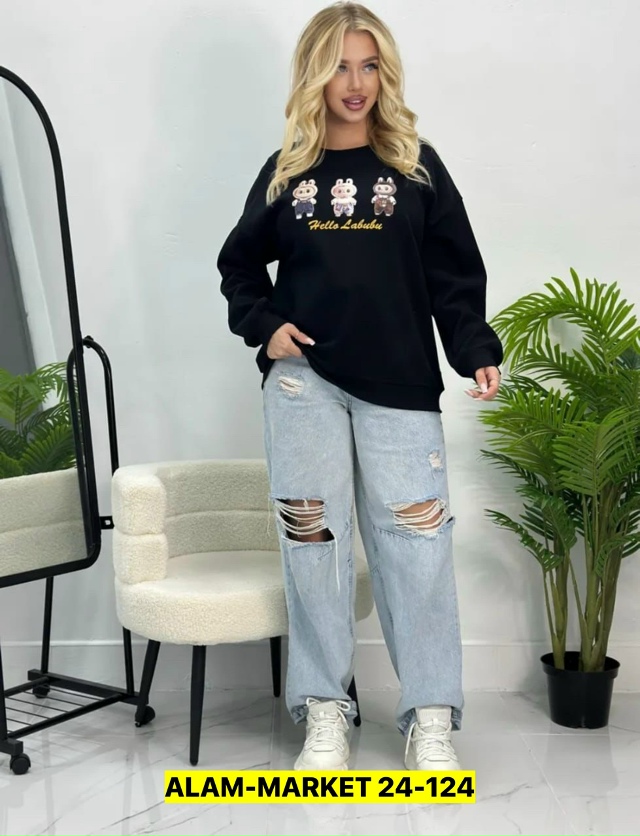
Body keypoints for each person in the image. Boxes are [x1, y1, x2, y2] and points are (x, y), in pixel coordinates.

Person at [218, 0, 502, 772]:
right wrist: (265, 326)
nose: (355, 83)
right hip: (303, 385)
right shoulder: (287, 171)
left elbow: (453, 275)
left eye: (369, 65)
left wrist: (473, 348)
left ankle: (431, 714)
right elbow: (238, 265)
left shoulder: (415, 167)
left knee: (417, 547)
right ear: (314, 74)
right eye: (339, 67)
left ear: (386, 73)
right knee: (312, 544)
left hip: (399, 383)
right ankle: (323, 709)